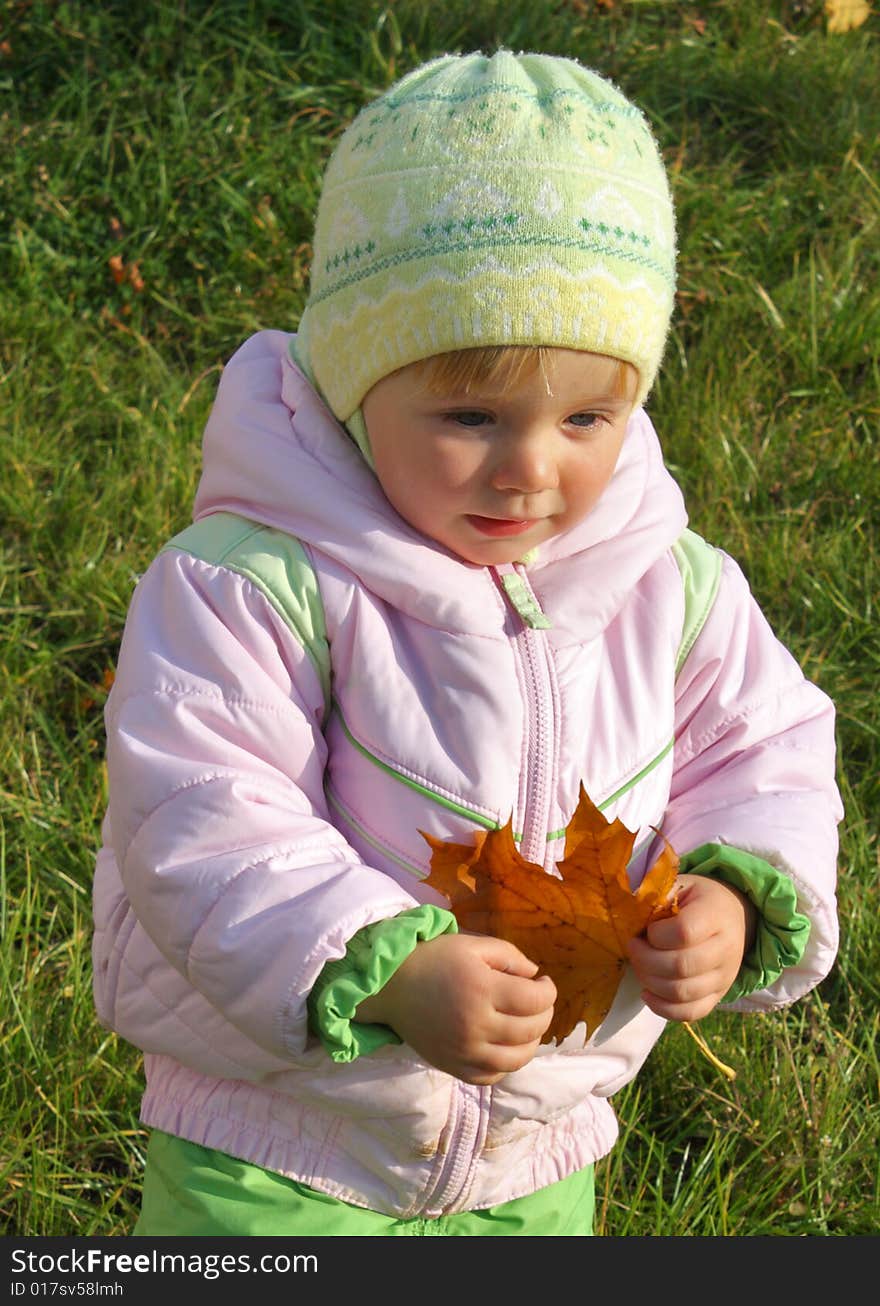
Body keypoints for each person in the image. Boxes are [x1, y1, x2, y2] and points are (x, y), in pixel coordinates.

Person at [92, 49, 842, 1237]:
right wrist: (381, 966)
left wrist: (740, 895)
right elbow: (201, 809)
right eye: (470, 414)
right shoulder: (253, 582)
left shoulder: (670, 583)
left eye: (587, 416)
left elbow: (769, 749)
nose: (531, 468)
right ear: (353, 381)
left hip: (538, 1147)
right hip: (285, 1141)